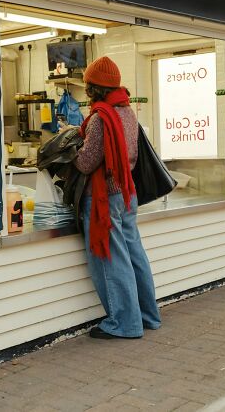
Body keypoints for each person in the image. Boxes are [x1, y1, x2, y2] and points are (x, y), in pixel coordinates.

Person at [74, 56, 161, 339]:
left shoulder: (100, 118)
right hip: (126, 194)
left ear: (92, 87)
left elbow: (87, 163)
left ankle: (124, 323)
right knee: (135, 254)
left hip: (104, 197)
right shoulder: (127, 112)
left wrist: (70, 151)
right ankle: (148, 316)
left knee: (112, 259)